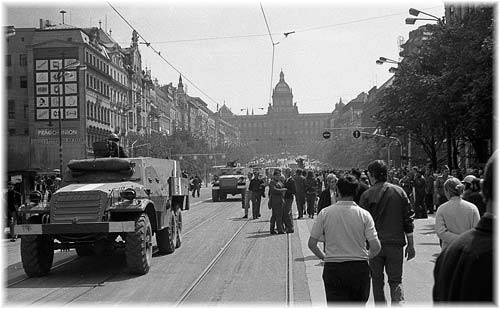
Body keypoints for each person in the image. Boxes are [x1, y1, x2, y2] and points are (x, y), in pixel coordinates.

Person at [308, 175, 381, 303]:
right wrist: (365, 257)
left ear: (337, 191)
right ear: (355, 192)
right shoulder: (364, 215)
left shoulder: (325, 213)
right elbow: (376, 247)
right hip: (359, 269)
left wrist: (324, 257)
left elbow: (312, 243)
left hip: (334, 269)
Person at [433, 152, 495, 302]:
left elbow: (441, 232)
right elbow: (476, 228)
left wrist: (460, 241)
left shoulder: (450, 256)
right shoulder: (472, 208)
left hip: (450, 248)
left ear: (484, 190)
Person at [359, 160, 415, 306]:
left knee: (377, 281)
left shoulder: (366, 195)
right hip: (396, 245)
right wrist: (411, 244)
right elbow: (408, 219)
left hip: (374, 246)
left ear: (372, 175)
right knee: (396, 280)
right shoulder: (399, 192)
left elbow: (362, 224)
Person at [434, 177, 480, 250]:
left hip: (449, 250)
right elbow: (476, 231)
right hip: (468, 248)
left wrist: (458, 239)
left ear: (447, 191)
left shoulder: (442, 209)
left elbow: (441, 232)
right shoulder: (472, 208)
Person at [269, 169, 287, 234]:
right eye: (276, 176)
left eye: (279, 175)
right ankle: (279, 230)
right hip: (275, 201)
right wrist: (282, 190)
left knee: (278, 216)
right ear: (274, 176)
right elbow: (274, 190)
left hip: (280, 200)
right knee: (277, 216)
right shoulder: (272, 182)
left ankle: (274, 229)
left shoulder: (279, 182)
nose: (278, 177)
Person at [282, 168, 296, 233]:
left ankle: (290, 227)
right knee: (288, 213)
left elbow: (293, 191)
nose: (287, 173)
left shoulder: (291, 181)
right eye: (286, 172)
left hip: (289, 198)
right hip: (285, 198)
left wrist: (286, 190)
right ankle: (288, 226)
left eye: (288, 172)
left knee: (286, 212)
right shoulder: (285, 180)